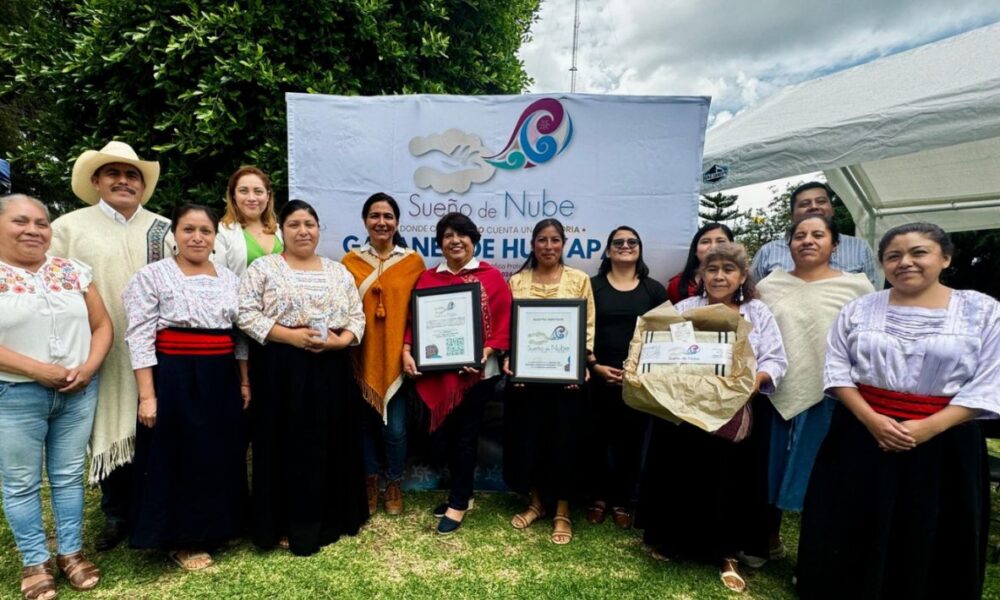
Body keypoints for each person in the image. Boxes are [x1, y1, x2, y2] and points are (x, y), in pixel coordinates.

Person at [797, 223, 999, 600]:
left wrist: (928, 427)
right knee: (851, 521)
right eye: (893, 256)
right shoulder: (860, 309)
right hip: (861, 432)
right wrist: (872, 420)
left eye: (918, 252)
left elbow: (990, 381)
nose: (905, 262)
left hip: (944, 441)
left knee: (931, 525)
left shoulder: (983, 311)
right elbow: (837, 369)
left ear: (946, 258)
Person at [638, 242, 787, 593]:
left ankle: (727, 555)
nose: (719, 276)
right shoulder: (685, 308)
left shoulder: (758, 313)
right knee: (683, 475)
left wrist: (754, 383)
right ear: (701, 274)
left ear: (742, 276)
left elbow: (775, 360)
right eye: (712, 269)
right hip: (685, 412)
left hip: (732, 412)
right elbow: (659, 351)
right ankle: (675, 542)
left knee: (728, 481)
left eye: (727, 270)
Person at [49, 140, 172, 551]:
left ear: (142, 184)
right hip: (98, 347)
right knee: (109, 424)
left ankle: (149, 509)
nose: (123, 181)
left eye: (132, 174)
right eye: (114, 174)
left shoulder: (164, 229)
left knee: (156, 428)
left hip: (160, 348)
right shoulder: (68, 228)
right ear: (97, 180)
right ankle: (116, 513)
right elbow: (50, 288)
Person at [123, 204, 249, 570]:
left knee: (221, 450)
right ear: (174, 234)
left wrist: (243, 379)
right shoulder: (153, 276)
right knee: (182, 453)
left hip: (220, 374)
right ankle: (183, 540)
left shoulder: (228, 278)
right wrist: (148, 396)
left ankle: (221, 524)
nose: (197, 237)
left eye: (205, 231)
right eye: (189, 230)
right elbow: (140, 337)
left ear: (214, 237)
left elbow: (238, 335)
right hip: (175, 375)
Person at [238, 199, 367, 556]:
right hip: (282, 369)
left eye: (309, 223)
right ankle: (283, 523)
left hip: (330, 368)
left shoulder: (338, 271)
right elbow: (244, 313)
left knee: (328, 440)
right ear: (282, 230)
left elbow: (357, 315)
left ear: (319, 229)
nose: (303, 231)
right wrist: (290, 335)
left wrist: (341, 341)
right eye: (294, 224)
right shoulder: (263, 268)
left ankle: (331, 517)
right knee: (285, 443)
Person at [0, 194, 112, 599]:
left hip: (77, 390)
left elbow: (102, 326)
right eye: (21, 221)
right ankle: (34, 561)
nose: (33, 230)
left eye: (42, 222)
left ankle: (71, 553)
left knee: (67, 477)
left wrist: (89, 366)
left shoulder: (72, 272)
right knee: (20, 482)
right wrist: (36, 370)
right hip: (13, 393)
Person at [755, 216, 873, 564]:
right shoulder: (769, 284)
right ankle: (767, 540)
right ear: (788, 244)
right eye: (799, 236)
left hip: (829, 394)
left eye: (817, 235)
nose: (807, 241)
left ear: (834, 244)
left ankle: (813, 556)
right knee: (768, 469)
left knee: (819, 475)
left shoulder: (858, 288)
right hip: (772, 390)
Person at [402, 212, 512, 535]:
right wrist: (407, 351)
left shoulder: (491, 277)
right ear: (440, 243)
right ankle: (461, 491)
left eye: (462, 235)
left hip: (478, 375)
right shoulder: (427, 279)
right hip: (438, 375)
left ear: (473, 240)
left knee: (465, 437)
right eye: (448, 236)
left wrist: (485, 352)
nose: (455, 241)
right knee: (444, 438)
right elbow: (414, 322)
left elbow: (504, 323)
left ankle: (459, 502)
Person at [503, 218, 596, 545]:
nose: (548, 246)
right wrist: (510, 359)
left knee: (565, 442)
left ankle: (562, 510)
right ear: (532, 245)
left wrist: (580, 363)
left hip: (566, 379)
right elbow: (509, 328)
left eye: (555, 240)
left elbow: (586, 328)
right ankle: (537, 503)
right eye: (542, 240)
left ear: (563, 244)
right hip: (526, 381)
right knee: (530, 439)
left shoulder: (579, 280)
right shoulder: (516, 282)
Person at [342, 193, 425, 515]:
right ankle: (370, 479)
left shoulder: (412, 262)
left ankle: (393, 481)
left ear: (397, 222)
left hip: (396, 357)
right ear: (365, 221)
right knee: (364, 426)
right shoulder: (349, 262)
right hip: (359, 357)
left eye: (388, 216)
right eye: (375, 215)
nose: (381, 222)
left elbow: (417, 314)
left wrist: (407, 348)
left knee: (396, 429)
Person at [584, 226, 667, 529]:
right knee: (595, 441)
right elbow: (581, 328)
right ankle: (597, 499)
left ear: (640, 249)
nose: (625, 246)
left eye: (632, 242)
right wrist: (594, 365)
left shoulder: (653, 290)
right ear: (607, 251)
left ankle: (621, 501)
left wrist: (634, 373)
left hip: (636, 382)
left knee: (630, 443)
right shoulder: (592, 287)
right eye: (618, 242)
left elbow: (663, 338)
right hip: (596, 377)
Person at [750, 182, 878, 287]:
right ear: (791, 215)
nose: (814, 207)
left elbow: (873, 297)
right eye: (805, 204)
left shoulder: (859, 247)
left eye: (821, 201)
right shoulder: (768, 252)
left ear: (832, 209)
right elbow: (752, 297)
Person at [213, 166, 282, 276]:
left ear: (268, 196)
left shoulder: (280, 231)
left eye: (258, 191)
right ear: (233, 196)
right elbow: (218, 277)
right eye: (243, 191)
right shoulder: (221, 232)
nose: (251, 198)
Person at [666, 222, 733, 304]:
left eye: (721, 242)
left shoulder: (743, 283)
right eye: (705, 242)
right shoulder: (677, 285)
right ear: (695, 250)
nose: (713, 247)